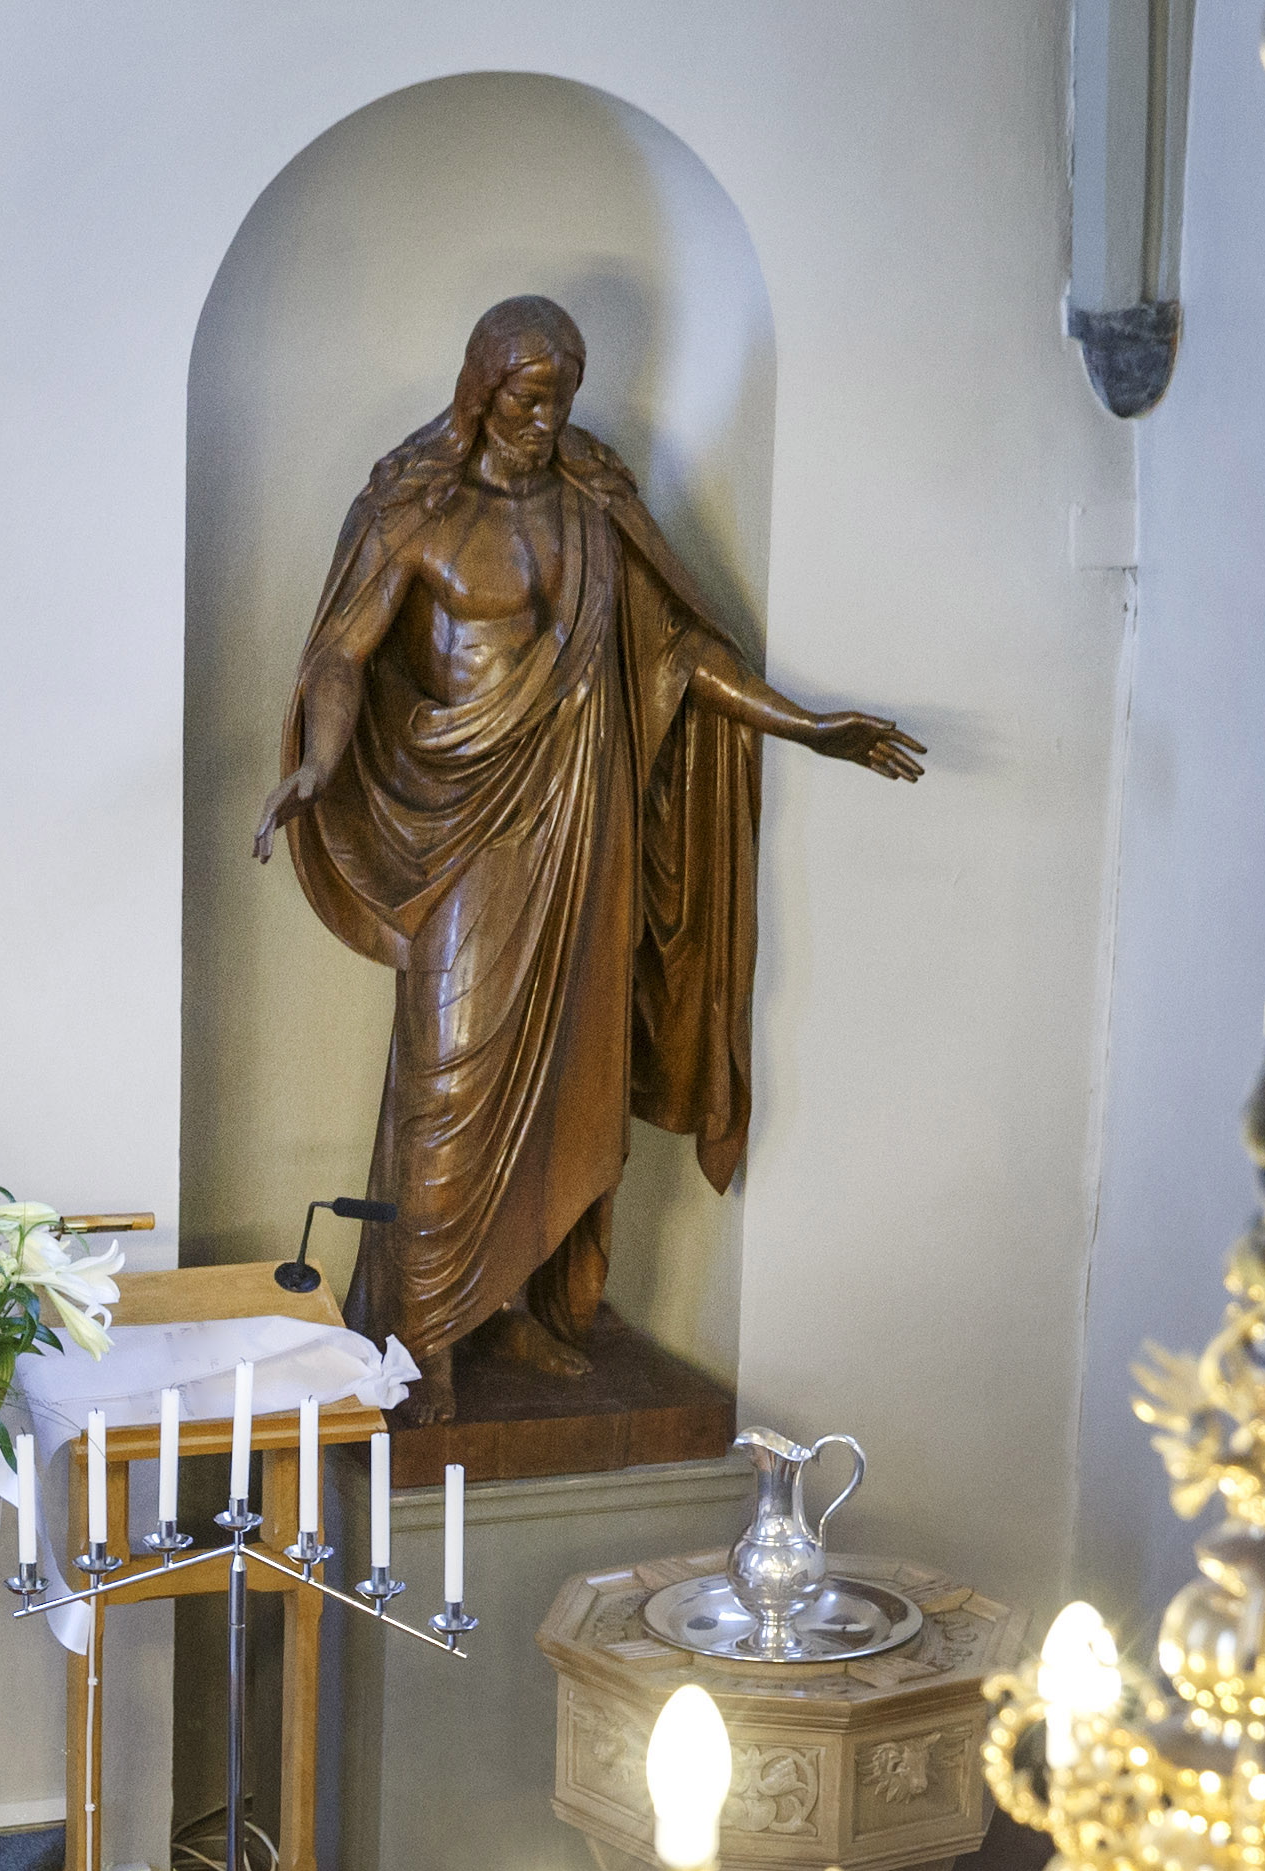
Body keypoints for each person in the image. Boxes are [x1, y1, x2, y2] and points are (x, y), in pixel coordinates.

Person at [261, 296, 924, 1393]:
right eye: (527, 397)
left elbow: (676, 657)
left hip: (584, 824)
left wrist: (807, 726)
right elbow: (341, 655)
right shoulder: (413, 509)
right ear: (481, 390)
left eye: (561, 398)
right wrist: (318, 763)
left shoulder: (594, 502)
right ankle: (416, 1336)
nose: (546, 418)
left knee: (575, 1072)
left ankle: (520, 1306)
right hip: (470, 840)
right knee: (450, 1077)